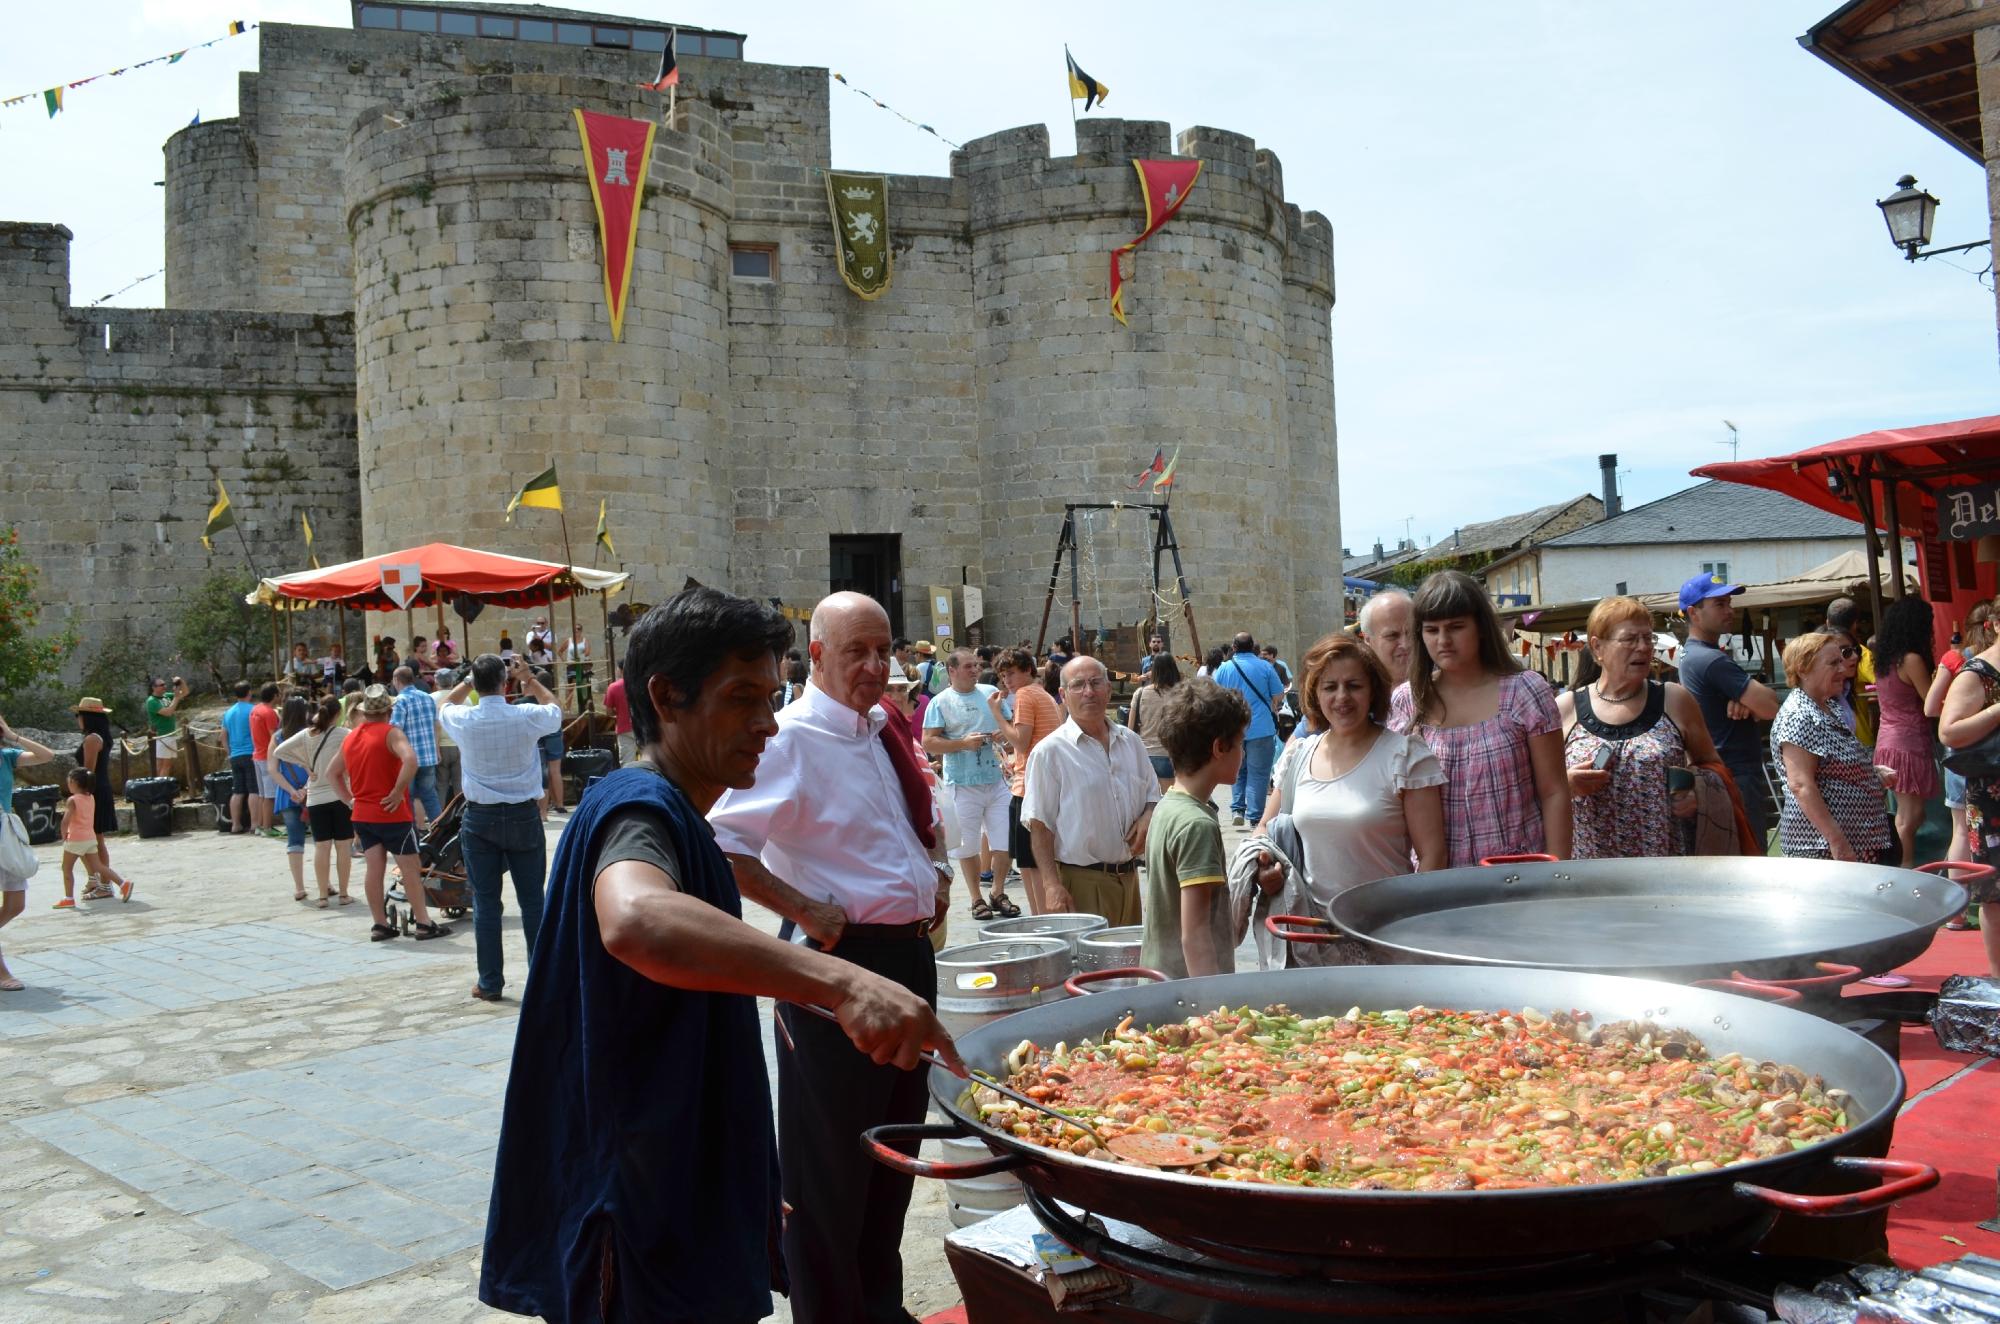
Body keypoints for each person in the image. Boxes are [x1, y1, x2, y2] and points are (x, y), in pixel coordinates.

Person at [480, 587, 955, 1324]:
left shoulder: (682, 816)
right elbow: (637, 918)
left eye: (771, 696)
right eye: (742, 698)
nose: (767, 724)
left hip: (674, 1182)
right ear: (666, 698)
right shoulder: (639, 807)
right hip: (635, 1204)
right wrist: (838, 980)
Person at [707, 591, 955, 1323]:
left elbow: (898, 826)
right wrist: (804, 909)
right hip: (837, 966)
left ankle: (877, 1306)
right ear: (814, 656)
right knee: (827, 1175)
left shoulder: (880, 727)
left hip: (909, 957)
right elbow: (722, 845)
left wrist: (931, 878)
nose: (877, 666)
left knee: (893, 1158)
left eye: (885, 650)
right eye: (858, 652)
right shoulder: (790, 738)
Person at [1389, 570, 1571, 863]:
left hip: (1518, 875)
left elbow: (1554, 792)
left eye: (1456, 627)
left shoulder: (1524, 691)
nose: (1443, 640)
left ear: (1481, 627)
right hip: (1438, 880)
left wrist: (1557, 874)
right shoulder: (1408, 701)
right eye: (1432, 630)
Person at [439, 656, 565, 1002]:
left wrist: (466, 681)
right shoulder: (523, 716)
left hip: (480, 818)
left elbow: (447, 704)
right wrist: (530, 679)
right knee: (532, 901)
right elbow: (555, 711)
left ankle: (490, 981)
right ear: (505, 682)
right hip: (523, 814)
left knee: (486, 903)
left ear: (476, 685)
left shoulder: (465, 719)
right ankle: (541, 980)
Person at [1557, 597, 1722, 859]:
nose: (1644, 648)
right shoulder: (1566, 709)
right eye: (1630, 639)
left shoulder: (1674, 700)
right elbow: (1534, 786)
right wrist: (1565, 784)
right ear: (1597, 646)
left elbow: (1712, 766)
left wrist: (1697, 793)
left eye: (1649, 638)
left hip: (1664, 870)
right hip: (1589, 875)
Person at [1021, 656, 1162, 923]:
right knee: (1092, 964)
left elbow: (1153, 795)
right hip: (1081, 882)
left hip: (1130, 879)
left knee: (1130, 961)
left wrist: (1148, 815)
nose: (1089, 691)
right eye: (1078, 685)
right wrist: (1051, 886)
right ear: (1063, 694)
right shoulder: (1050, 752)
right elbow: (1040, 825)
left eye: (1096, 683)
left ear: (1108, 689)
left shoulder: (1130, 742)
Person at [327, 684, 451, 942]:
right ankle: (423, 922)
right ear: (389, 710)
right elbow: (411, 760)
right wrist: (397, 791)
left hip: (362, 814)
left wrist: (349, 800)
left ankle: (380, 924)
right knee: (410, 868)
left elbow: (332, 773)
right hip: (392, 813)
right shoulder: (392, 733)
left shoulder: (350, 737)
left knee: (374, 868)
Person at [1142, 679, 1248, 980]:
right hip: (1186, 998)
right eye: (1240, 743)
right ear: (1219, 747)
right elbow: (1195, 935)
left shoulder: (1168, 805)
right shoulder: (1197, 824)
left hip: (1162, 985)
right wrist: (1214, 1011)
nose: (1243, 753)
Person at [1678, 572, 1780, 846]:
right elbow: (1771, 707)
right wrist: (1752, 700)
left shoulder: (1693, 655)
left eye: (1728, 603)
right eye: (1719, 604)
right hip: (1735, 775)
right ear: (1693, 613)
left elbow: (1763, 704)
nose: (1729, 611)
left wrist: (1746, 699)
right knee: (1749, 859)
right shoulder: (1711, 660)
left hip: (1721, 773)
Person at [1774, 632, 1893, 863]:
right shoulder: (1798, 716)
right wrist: (1837, 841)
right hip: (1822, 849)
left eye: (1842, 660)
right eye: (1833, 663)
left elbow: (1831, 768)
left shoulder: (1829, 707)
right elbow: (1801, 785)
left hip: (1853, 841)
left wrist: (1872, 772)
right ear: (1803, 669)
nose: (1843, 669)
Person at [922, 648, 1017, 921]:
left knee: (1004, 839)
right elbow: (929, 741)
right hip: (962, 783)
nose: (974, 670)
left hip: (997, 779)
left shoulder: (990, 693)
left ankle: (998, 891)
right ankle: (976, 897)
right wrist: (963, 743)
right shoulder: (940, 702)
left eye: (976, 665)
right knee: (968, 846)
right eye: (967, 666)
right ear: (951, 671)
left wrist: (1003, 734)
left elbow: (1009, 727)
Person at [1939, 612, 2000, 974]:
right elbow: (1949, 732)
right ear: (1995, 623)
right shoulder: (1977, 672)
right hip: (1993, 795)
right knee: (1996, 893)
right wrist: (1996, 711)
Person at [989, 646, 1063, 914]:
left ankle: (1041, 920)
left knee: (1029, 863)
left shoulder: (1025, 695)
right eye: (1003, 675)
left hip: (1028, 785)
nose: (1006, 680)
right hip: (1041, 781)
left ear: (1027, 671)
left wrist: (997, 714)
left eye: (1010, 674)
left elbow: (1021, 742)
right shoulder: (1042, 694)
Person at [1928, 603, 1992, 911]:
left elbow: (1930, 707)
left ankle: (1956, 911)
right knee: (1964, 830)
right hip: (1980, 765)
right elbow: (1945, 724)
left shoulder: (1954, 657)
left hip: (1965, 759)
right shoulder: (1973, 666)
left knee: (1960, 830)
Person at [1872, 597, 1940, 869]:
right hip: (1908, 743)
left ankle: (1905, 870)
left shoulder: (1885, 660)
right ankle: (1906, 871)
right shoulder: (1911, 659)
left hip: (1888, 739)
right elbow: (1931, 703)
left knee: (1909, 814)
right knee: (1908, 818)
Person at [274, 696, 354, 907]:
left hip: (315, 797)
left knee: (322, 846)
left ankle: (322, 896)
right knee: (343, 846)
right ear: (338, 714)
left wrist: (305, 764)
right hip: (339, 795)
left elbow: (279, 751)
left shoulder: (306, 734)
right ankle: (344, 893)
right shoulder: (344, 734)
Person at [0, 714, 55, 988]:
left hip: (5, 832)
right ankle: (2, 973)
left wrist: (13, 735)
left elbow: (47, 755)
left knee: (15, 904)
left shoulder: (8, 755)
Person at [1211, 632, 1286, 827]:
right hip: (1261, 727)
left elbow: (1215, 697)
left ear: (1233, 648)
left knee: (1237, 769)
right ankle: (1255, 817)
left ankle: (1237, 808)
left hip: (1233, 727)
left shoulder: (1223, 669)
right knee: (1259, 773)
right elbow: (1278, 694)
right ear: (1253, 647)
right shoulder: (1265, 667)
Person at [72, 697, 133, 895]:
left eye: (78, 715)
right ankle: (96, 880)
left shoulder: (92, 739)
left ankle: (105, 884)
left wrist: (79, 795)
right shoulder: (101, 736)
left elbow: (87, 771)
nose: (77, 719)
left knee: (94, 840)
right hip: (99, 788)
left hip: (93, 791)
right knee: (91, 840)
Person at [54, 768, 125, 908]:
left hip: (75, 838)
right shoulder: (90, 797)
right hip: (90, 838)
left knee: (66, 868)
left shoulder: (72, 800)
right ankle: (123, 884)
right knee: (98, 866)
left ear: (73, 782)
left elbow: (65, 821)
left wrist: (63, 834)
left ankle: (68, 897)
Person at [271, 695, 314, 900]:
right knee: (323, 840)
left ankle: (299, 887)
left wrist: (291, 790)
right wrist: (305, 788)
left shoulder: (277, 737)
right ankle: (328, 883)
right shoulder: (310, 734)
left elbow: (273, 770)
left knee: (294, 841)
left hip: (288, 796)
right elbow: (317, 766)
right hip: (314, 792)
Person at [389, 667, 443, 830]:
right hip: (428, 756)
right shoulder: (428, 698)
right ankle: (440, 832)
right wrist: (436, 748)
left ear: (397, 680)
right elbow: (435, 725)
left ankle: (411, 835)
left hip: (408, 760)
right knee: (430, 796)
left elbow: (395, 729)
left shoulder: (399, 701)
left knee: (408, 797)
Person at [1125, 651, 1181, 788]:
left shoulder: (1140, 693)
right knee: (1168, 802)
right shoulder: (1181, 694)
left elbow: (1130, 729)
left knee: (1150, 804)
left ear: (1154, 671)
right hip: (1172, 755)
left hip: (1144, 755)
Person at [221, 680, 257, 833]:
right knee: (254, 790)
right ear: (249, 692)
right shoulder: (253, 710)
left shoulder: (228, 713)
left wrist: (229, 753)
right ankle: (255, 824)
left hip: (235, 755)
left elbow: (223, 736)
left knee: (238, 791)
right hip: (250, 753)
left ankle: (235, 824)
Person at [1359, 587, 1416, 683]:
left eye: (1411, 633)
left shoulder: (1443, 689)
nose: (1405, 644)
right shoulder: (1355, 691)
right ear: (1368, 640)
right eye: (1392, 636)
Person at [250, 683, 283, 836]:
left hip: (257, 755)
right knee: (269, 795)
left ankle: (261, 826)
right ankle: (267, 827)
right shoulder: (269, 713)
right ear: (275, 695)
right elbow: (274, 736)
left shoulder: (255, 710)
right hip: (266, 756)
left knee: (263, 794)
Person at [534, 667, 568, 816]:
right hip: (555, 734)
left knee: (542, 771)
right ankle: (560, 804)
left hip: (541, 734)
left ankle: (544, 808)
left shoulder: (536, 699)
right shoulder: (554, 699)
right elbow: (561, 717)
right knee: (555, 770)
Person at [144, 676, 187, 777]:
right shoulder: (151, 701)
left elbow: (185, 692)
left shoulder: (166, 696)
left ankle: (160, 786)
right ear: (153, 688)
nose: (164, 687)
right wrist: (176, 698)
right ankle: (161, 787)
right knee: (164, 764)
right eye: (161, 685)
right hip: (162, 736)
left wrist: (181, 682)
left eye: (165, 684)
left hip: (169, 734)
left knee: (164, 764)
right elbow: (168, 712)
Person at [604, 660, 634, 765]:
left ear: (620, 670)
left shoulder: (613, 687)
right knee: (648, 762)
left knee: (627, 763)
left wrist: (619, 711)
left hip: (624, 728)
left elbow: (609, 712)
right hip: (643, 727)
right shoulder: (641, 684)